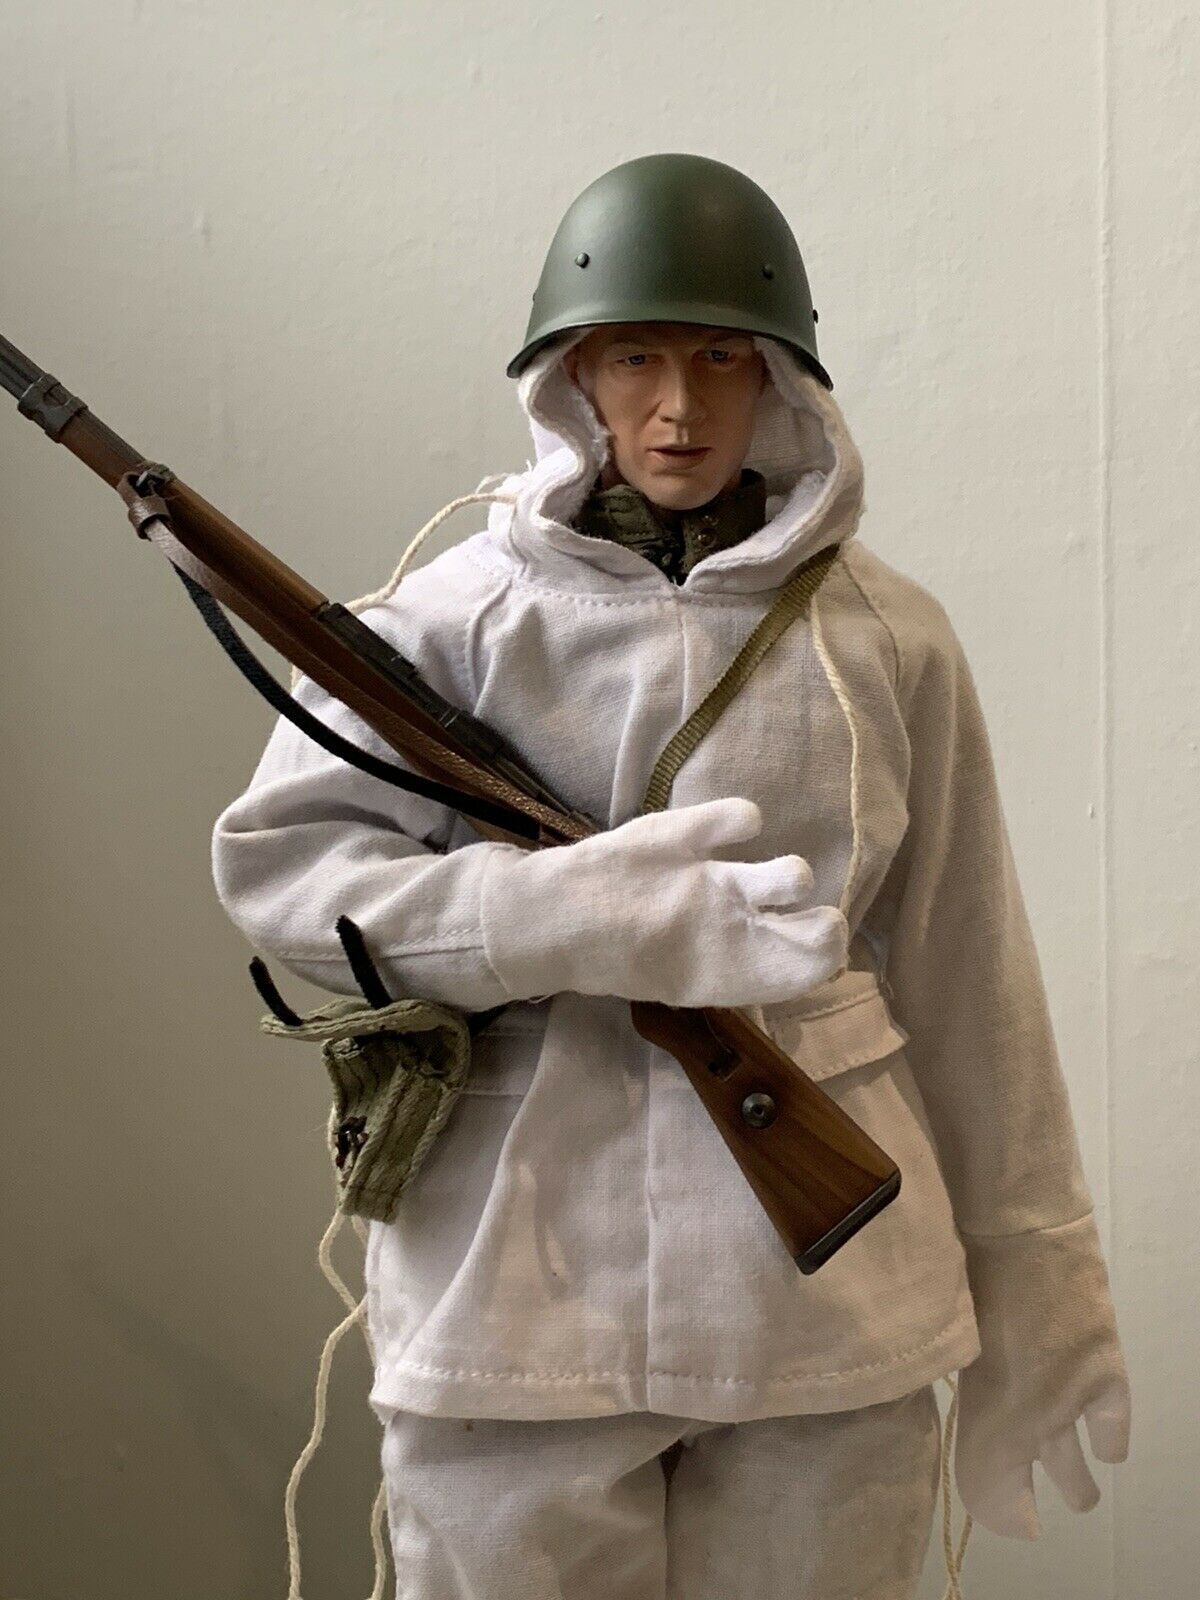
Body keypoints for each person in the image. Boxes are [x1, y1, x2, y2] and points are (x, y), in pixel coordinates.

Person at [210, 153, 1131, 1600]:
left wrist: (1042, 1284)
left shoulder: (886, 637)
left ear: (780, 380)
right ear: (573, 377)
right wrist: (557, 920)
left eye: (720, 358)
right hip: (519, 1274)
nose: (679, 407)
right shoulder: (452, 623)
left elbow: (971, 975)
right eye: (635, 357)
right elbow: (287, 877)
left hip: (824, 1295)